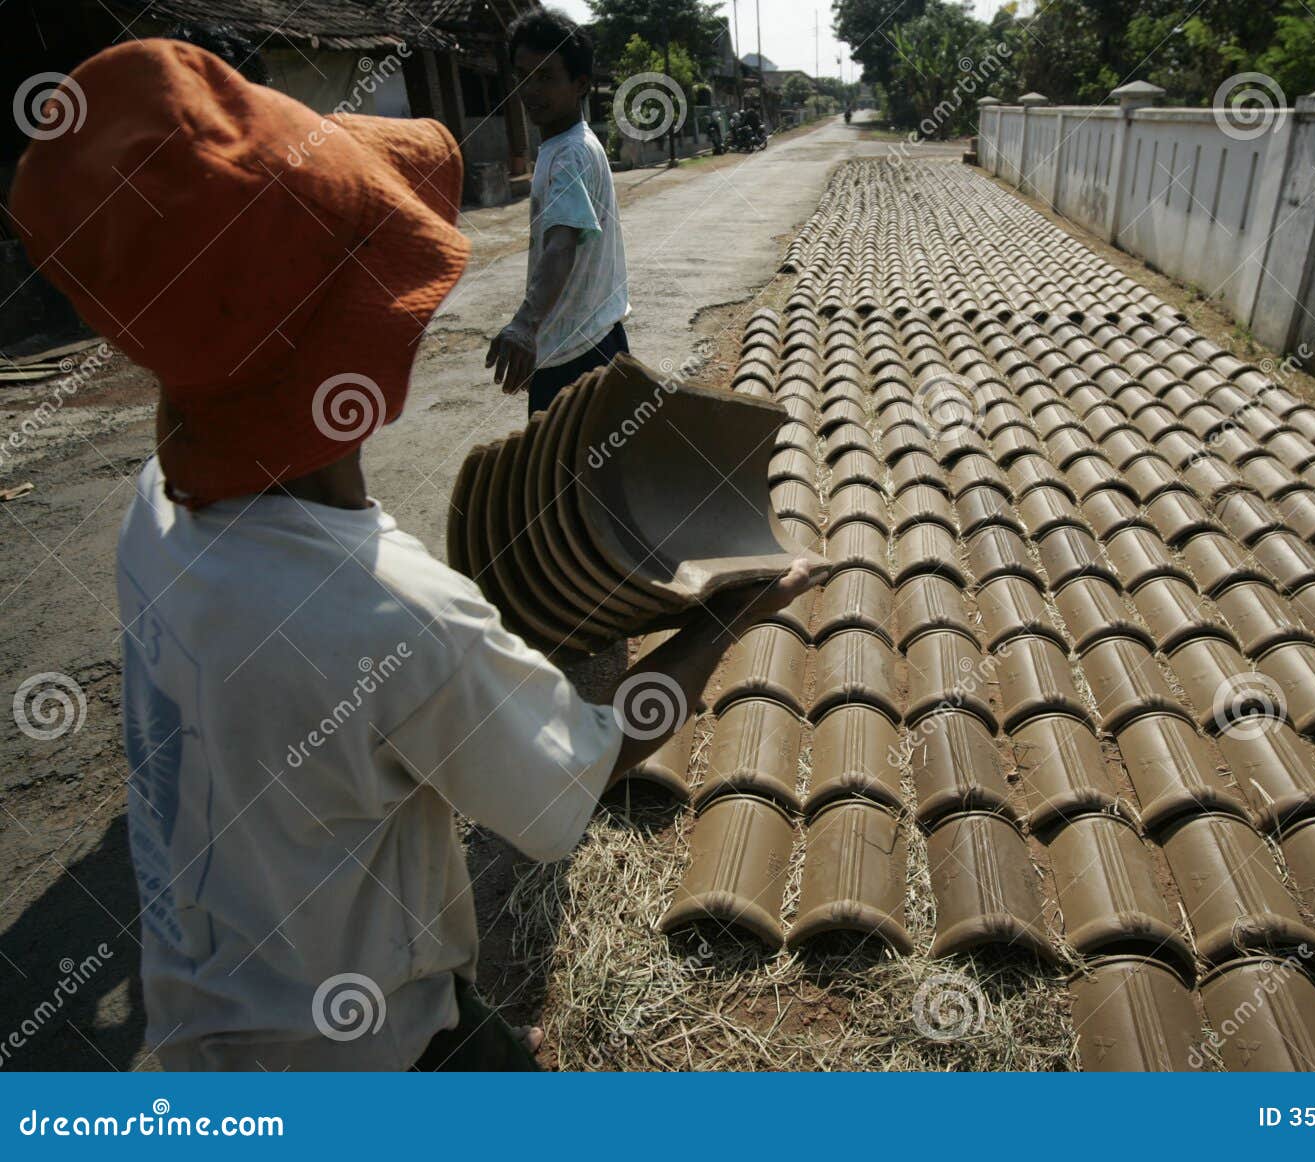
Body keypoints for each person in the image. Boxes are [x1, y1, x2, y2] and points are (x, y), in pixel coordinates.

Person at [10, 38, 811, 1071]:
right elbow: (580, 776)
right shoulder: (390, 616)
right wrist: (724, 617)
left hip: (197, 1031)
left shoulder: (153, 509)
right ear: (360, 342)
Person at [487, 9, 629, 415]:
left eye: (546, 77)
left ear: (580, 84)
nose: (531, 90)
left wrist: (526, 325)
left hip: (575, 358)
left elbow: (560, 245)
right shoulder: (575, 144)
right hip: (597, 340)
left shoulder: (568, 154)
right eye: (523, 76)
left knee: (560, 475)